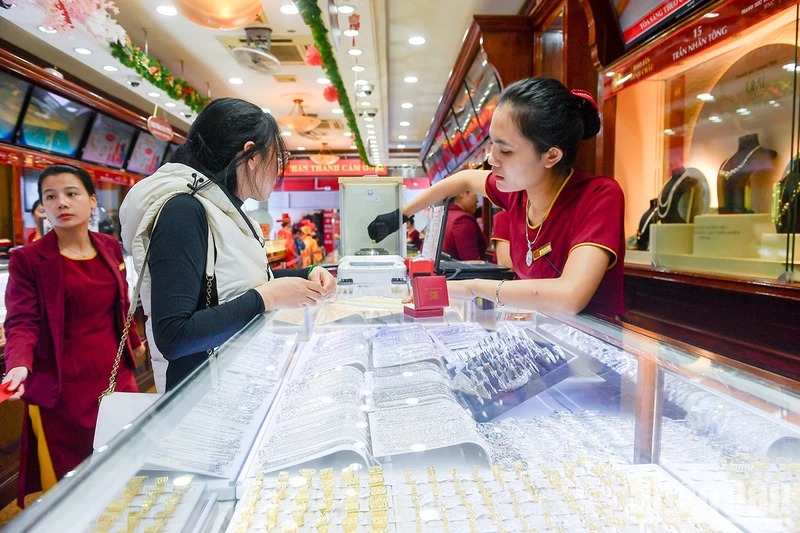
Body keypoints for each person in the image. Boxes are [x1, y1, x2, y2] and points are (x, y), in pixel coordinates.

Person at [120, 98, 336, 392]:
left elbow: (233, 286)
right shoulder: (183, 211)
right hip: (199, 402)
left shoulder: (225, 208)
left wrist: (307, 273)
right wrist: (267, 298)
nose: (278, 169)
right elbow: (175, 336)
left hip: (235, 387)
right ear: (250, 155)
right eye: (277, 158)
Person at [368, 77, 624, 318]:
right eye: (492, 145)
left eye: (506, 150)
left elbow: (570, 296)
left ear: (551, 156)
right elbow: (463, 180)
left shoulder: (599, 196)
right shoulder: (519, 194)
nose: (492, 159)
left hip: (595, 346)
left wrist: (472, 288)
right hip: (545, 332)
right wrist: (400, 215)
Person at [2, 164, 145, 506]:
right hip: (63, 393)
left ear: (92, 201)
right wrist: (18, 364)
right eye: (50, 197)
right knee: (76, 488)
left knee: (125, 472)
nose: (61, 203)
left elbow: (122, 306)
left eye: (71, 194)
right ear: (42, 208)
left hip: (116, 381)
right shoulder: (29, 259)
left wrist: (135, 344)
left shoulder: (109, 247)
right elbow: (22, 321)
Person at [442, 190, 487, 261]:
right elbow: (472, 262)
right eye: (476, 195)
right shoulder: (462, 220)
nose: (478, 200)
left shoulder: (443, 215)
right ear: (461, 193)